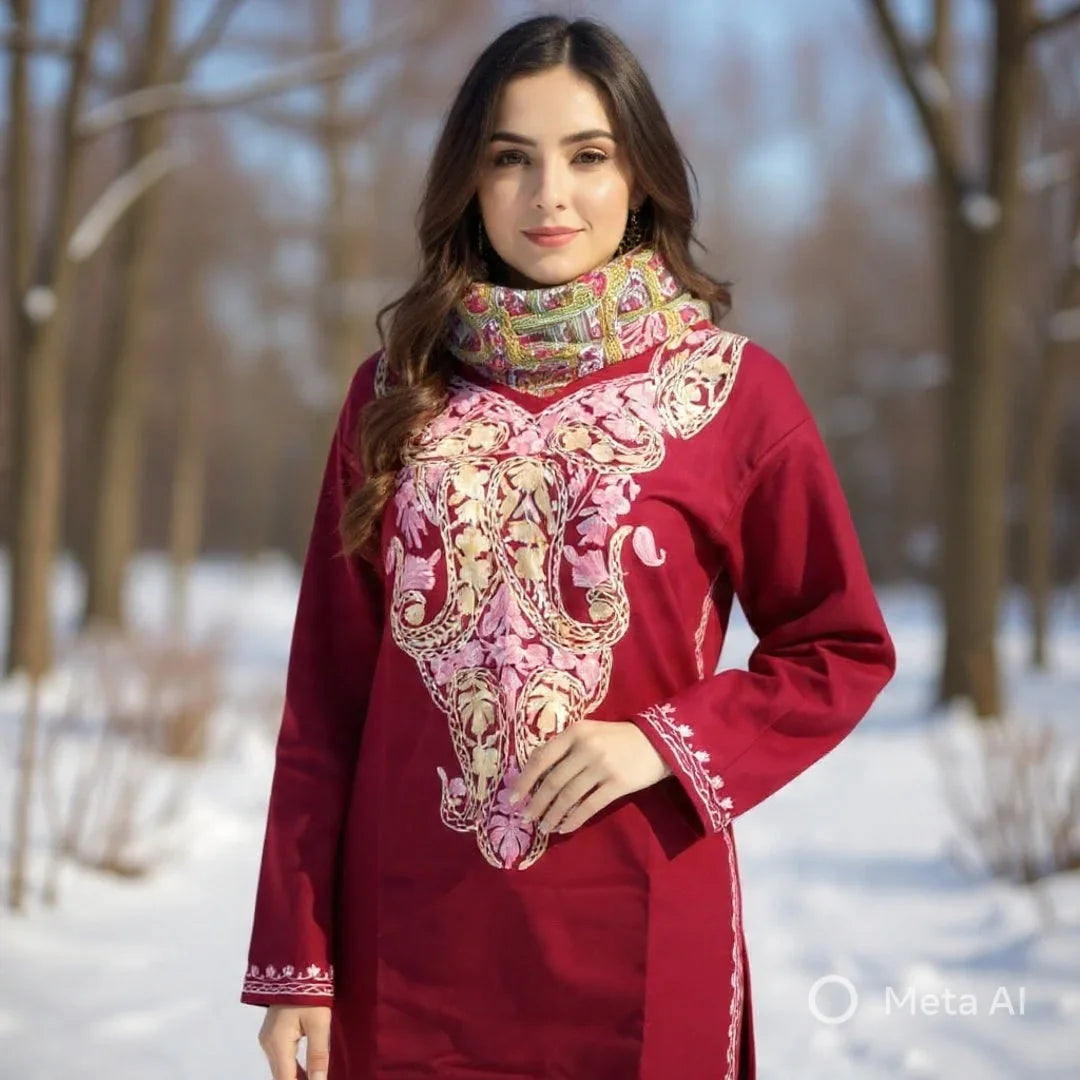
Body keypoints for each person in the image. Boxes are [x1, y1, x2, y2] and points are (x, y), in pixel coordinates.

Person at [240, 14, 897, 1080]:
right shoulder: (397, 397)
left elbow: (839, 646)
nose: (550, 194)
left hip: (639, 940)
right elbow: (325, 699)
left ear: (639, 174)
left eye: (588, 155)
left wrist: (664, 742)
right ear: (470, 180)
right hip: (405, 955)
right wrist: (295, 962)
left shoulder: (733, 394)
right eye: (512, 158)